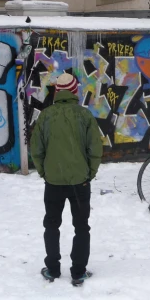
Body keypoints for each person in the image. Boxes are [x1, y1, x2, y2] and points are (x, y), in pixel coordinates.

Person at [30, 72, 103, 286]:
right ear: (73, 92)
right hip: (80, 182)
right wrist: (90, 173)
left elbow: (37, 149)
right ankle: (78, 272)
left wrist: (45, 172)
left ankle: (52, 270)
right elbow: (95, 149)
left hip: (53, 183)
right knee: (81, 226)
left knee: (51, 225)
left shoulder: (45, 116)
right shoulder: (84, 116)